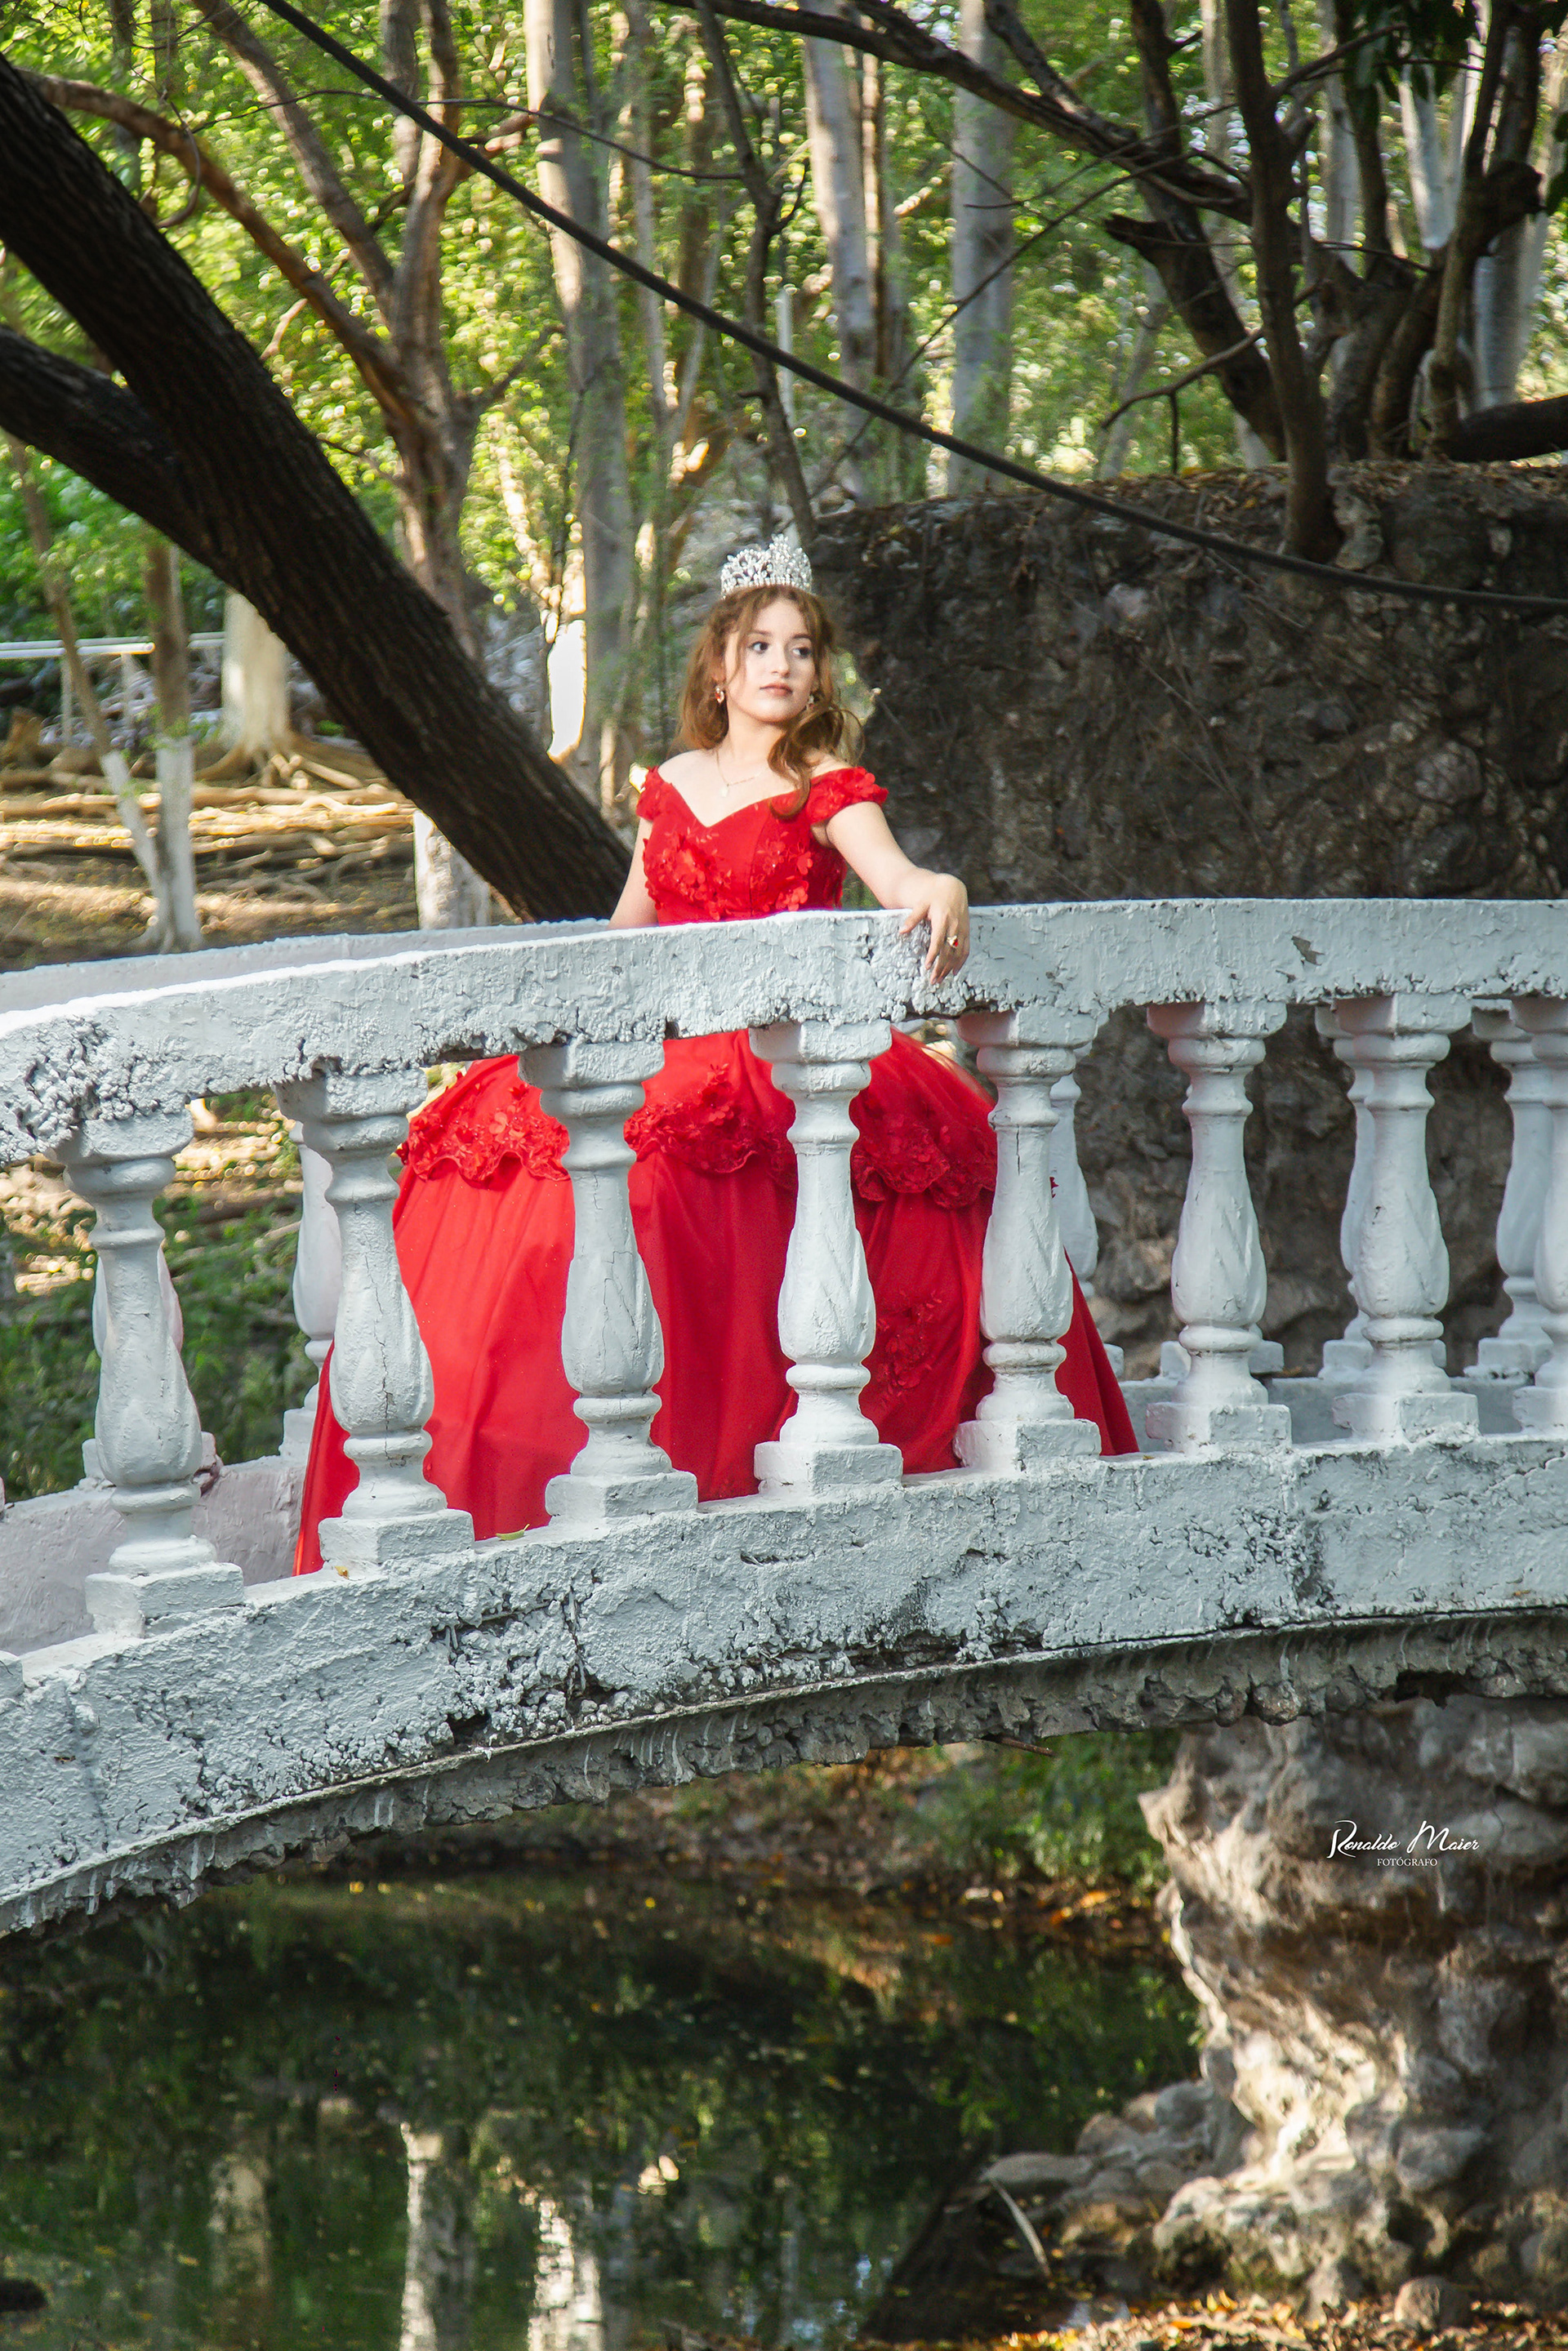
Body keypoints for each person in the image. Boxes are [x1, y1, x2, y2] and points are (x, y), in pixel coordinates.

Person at [294, 540, 1134, 1570]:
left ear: (819, 675)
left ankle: (727, 1468)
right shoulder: (672, 785)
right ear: (721, 667)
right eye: (760, 645)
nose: (782, 664)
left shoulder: (826, 785)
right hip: (674, 1042)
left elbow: (898, 880)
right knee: (518, 1168)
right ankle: (512, 1475)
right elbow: (626, 939)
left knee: (672, 1188)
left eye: (802, 649)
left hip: (783, 1058)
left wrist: (941, 888)